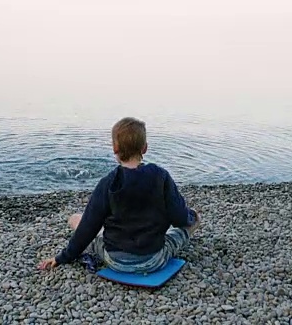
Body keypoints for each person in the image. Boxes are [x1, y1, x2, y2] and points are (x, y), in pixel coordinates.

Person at [38, 117, 201, 273]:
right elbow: (179, 217)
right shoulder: (161, 176)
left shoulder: (107, 182)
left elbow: (87, 228)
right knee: (193, 218)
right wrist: (190, 217)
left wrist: (63, 257)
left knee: (75, 218)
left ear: (115, 149)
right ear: (145, 148)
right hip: (153, 260)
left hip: (115, 261)